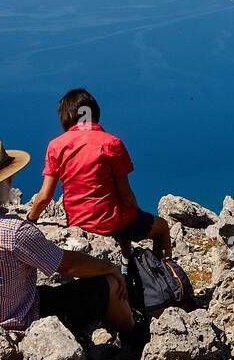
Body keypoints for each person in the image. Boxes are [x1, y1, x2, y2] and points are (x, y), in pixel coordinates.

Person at [0, 135, 136, 360]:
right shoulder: (11, 231)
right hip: (1, 341)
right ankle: (135, 345)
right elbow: (68, 265)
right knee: (107, 286)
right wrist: (110, 268)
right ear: (1, 183)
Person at [26, 88, 173, 262]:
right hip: (111, 222)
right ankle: (163, 276)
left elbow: (44, 197)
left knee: (123, 218)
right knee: (161, 226)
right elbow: (125, 195)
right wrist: (138, 214)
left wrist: (30, 220)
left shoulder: (56, 146)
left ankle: (127, 260)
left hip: (78, 221)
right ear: (94, 113)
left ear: (66, 118)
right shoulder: (112, 143)